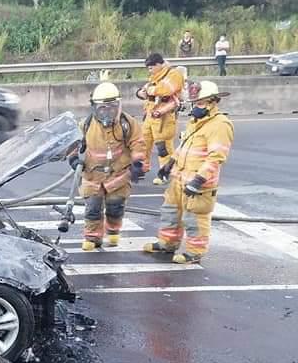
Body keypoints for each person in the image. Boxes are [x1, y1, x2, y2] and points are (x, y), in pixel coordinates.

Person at [143, 80, 233, 264]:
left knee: (194, 218)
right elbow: (184, 147)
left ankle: (194, 252)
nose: (196, 107)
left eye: (199, 103)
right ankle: (167, 243)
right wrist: (168, 165)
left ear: (212, 102)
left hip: (198, 184)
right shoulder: (196, 122)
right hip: (179, 179)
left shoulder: (220, 125)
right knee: (170, 213)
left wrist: (198, 180)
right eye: (195, 103)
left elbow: (216, 157)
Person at [67, 81, 145, 251]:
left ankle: (113, 231)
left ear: (117, 106)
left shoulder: (127, 123)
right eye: (102, 108)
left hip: (118, 176)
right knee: (93, 208)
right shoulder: (86, 125)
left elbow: (138, 143)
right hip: (92, 176)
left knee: (115, 207)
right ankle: (92, 237)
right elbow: (73, 145)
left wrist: (138, 163)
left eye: (111, 107)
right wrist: (73, 160)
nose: (107, 112)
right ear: (95, 108)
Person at [136, 52, 185, 185]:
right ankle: (141, 169)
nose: (149, 70)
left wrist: (151, 90)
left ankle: (166, 172)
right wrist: (141, 93)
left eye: (151, 67)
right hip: (150, 115)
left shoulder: (174, 74)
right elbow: (146, 90)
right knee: (144, 142)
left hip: (164, 117)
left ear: (158, 64)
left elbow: (166, 90)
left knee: (162, 146)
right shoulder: (155, 76)